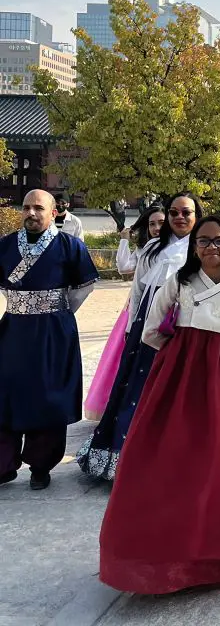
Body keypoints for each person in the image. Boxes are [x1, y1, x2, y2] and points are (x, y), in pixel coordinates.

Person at [99, 215, 220, 594]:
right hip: (181, 379)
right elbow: (151, 331)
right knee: (178, 456)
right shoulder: (179, 281)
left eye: (218, 241)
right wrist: (181, 353)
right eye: (203, 241)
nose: (210, 248)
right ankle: (172, 552)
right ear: (194, 246)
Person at [77, 193, 202, 480]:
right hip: (148, 323)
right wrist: (133, 326)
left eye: (186, 212)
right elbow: (137, 291)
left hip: (185, 324)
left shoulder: (201, 248)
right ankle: (122, 458)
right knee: (136, 386)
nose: (180, 218)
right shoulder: (154, 249)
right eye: (174, 213)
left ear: (197, 215)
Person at [0, 189, 98, 490]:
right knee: (6, 393)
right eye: (26, 207)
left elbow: (82, 288)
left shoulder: (70, 246)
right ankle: (4, 464)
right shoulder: (4, 246)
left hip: (54, 331)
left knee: (49, 394)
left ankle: (41, 465)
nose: (31, 213)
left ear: (53, 212)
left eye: (38, 208)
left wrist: (55, 309)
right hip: (13, 330)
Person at [84, 207, 165, 421]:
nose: (157, 228)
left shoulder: (178, 249)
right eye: (152, 224)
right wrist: (123, 240)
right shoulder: (145, 249)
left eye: (161, 223)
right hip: (137, 310)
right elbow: (123, 268)